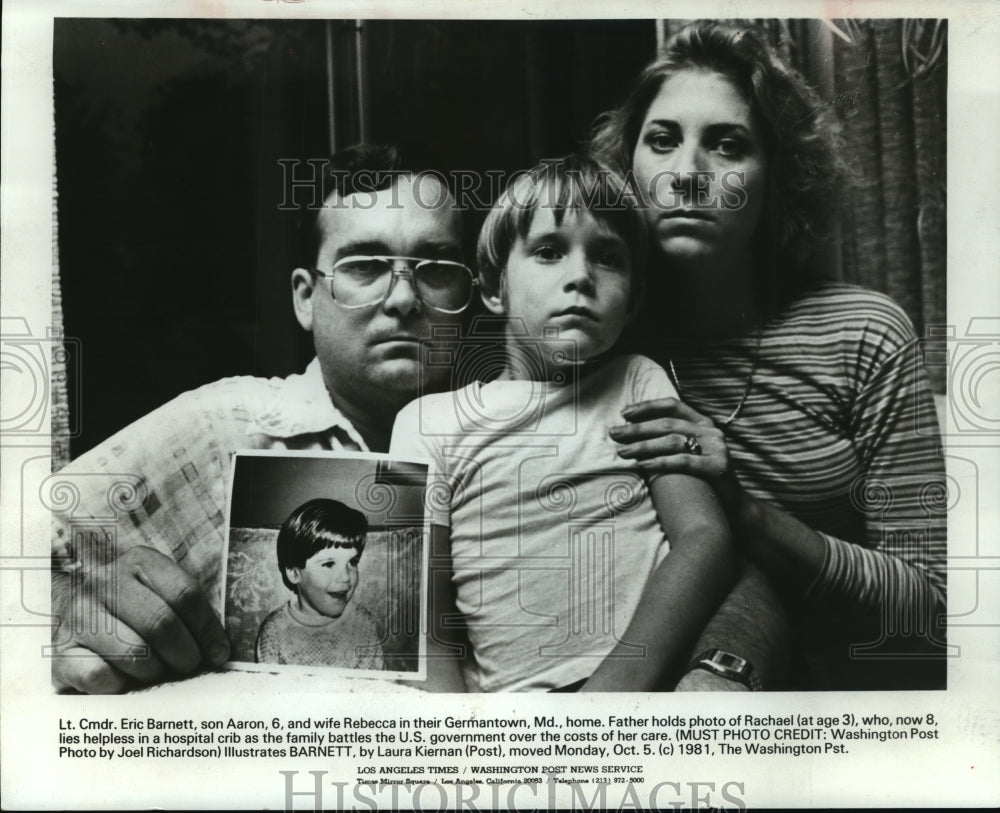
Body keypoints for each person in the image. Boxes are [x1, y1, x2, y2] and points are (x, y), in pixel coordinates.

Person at [589, 21, 947, 689]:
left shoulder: (864, 334)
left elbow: (930, 607)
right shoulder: (598, 332)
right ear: (626, 170)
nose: (688, 175)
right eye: (662, 141)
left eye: (727, 146)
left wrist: (748, 513)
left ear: (780, 176)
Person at [50, 143, 476, 693]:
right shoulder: (225, 425)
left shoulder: (513, 449)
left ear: (471, 292)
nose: (402, 299)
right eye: (364, 266)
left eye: (436, 269)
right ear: (305, 298)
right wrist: (66, 606)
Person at [390, 155, 736, 692]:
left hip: (642, 697)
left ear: (633, 301)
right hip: (510, 724)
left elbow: (705, 539)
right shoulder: (427, 423)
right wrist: (455, 744)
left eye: (608, 258)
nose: (580, 277)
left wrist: (607, 698)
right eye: (549, 252)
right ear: (493, 286)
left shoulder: (637, 383)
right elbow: (420, 620)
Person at [255, 499, 383, 670]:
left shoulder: (364, 625)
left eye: (352, 562)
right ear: (294, 573)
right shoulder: (274, 631)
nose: (345, 577)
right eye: (329, 564)